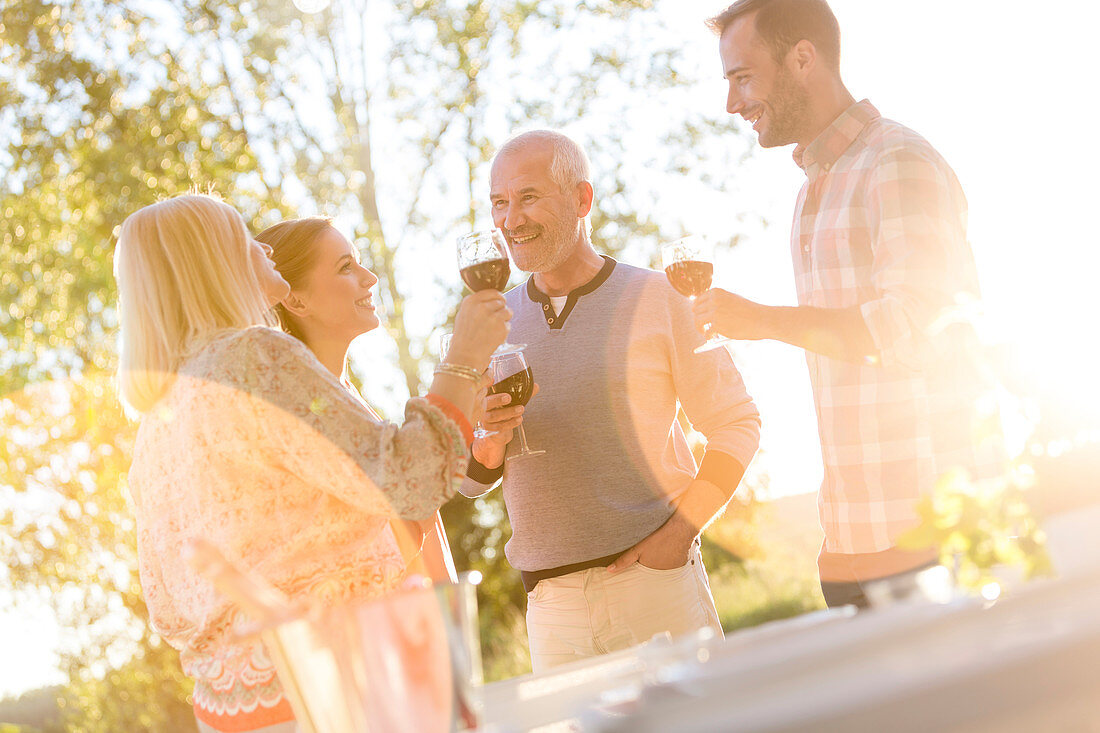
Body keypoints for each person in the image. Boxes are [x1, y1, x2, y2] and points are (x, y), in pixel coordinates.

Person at [115, 194, 510, 732]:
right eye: (242, 236)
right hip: (332, 688)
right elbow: (408, 480)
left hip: (230, 708)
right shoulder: (254, 356)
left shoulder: (154, 429)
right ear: (215, 260)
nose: (262, 246)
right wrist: (463, 359)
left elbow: (166, 607)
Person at [700, 0, 1003, 608]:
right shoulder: (814, 189)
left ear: (803, 59)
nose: (732, 103)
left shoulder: (896, 162)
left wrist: (760, 321)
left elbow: (913, 328)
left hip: (927, 530)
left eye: (742, 77)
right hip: (847, 540)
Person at [462, 130, 761, 671]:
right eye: (499, 204)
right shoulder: (486, 323)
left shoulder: (661, 298)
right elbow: (466, 478)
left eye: (528, 197)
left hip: (656, 588)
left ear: (581, 199)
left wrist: (678, 536)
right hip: (551, 610)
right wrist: (486, 438)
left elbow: (737, 422)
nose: (510, 220)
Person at [256, 217, 458, 586]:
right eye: (346, 267)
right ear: (295, 299)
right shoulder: (307, 417)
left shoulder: (345, 397)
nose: (370, 278)